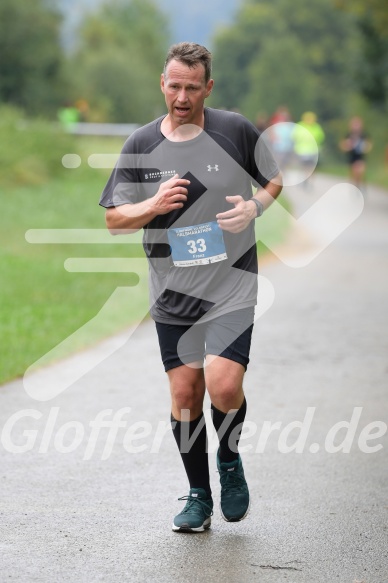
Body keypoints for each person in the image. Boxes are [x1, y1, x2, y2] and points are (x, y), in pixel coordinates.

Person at [99, 42, 282, 533]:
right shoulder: (140, 144)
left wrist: (255, 208)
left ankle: (229, 459)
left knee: (223, 386)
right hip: (173, 290)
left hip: (232, 283)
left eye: (192, 87)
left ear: (209, 88)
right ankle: (199, 495)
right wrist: (152, 205)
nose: (182, 97)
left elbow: (274, 180)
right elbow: (115, 220)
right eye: (174, 85)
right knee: (185, 394)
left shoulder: (236, 130)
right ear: (162, 83)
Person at [292, 111, 325, 188]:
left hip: (312, 151)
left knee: (311, 167)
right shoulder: (300, 126)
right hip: (301, 151)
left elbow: (321, 137)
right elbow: (294, 137)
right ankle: (304, 180)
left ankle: (309, 182)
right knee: (304, 167)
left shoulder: (316, 127)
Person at [339, 116, 372, 190]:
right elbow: (343, 145)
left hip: (361, 156)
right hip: (352, 156)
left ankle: (360, 185)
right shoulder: (349, 135)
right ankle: (354, 186)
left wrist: (366, 148)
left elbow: (369, 144)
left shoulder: (364, 135)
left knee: (361, 171)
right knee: (353, 173)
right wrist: (347, 146)